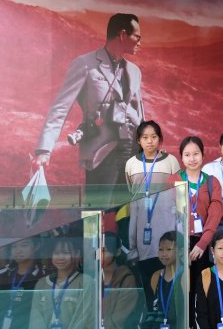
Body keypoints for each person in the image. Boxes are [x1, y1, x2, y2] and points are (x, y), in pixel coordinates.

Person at [33, 13, 144, 198]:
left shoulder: (134, 71)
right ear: (123, 34)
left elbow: (140, 114)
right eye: (137, 37)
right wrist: (44, 150)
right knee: (95, 211)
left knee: (128, 212)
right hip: (101, 154)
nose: (140, 42)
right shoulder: (85, 64)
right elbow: (61, 107)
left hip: (132, 155)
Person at [125, 121, 181, 303]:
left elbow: (179, 196)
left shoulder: (171, 162)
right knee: (149, 285)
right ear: (138, 140)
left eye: (154, 137)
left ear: (160, 139)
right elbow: (133, 198)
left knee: (170, 285)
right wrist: (132, 245)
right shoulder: (131, 164)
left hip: (167, 234)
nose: (149, 141)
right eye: (145, 137)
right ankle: (152, 317)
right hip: (143, 238)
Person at [28, 236, 93, 329]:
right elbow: (36, 321)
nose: (60, 257)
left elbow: (84, 321)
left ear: (76, 253)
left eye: (65, 253)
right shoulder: (41, 283)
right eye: (56, 253)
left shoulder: (85, 282)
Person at [170, 136, 223, 303]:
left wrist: (203, 242)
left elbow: (215, 214)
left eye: (196, 154)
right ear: (181, 158)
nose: (192, 159)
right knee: (181, 291)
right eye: (187, 155)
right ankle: (185, 321)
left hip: (204, 243)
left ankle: (201, 320)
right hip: (180, 242)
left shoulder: (212, 182)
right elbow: (168, 213)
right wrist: (179, 244)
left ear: (203, 155)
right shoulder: (173, 180)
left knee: (203, 290)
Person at [130, 231, 185, 329]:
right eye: (161, 249)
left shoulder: (185, 276)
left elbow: (185, 320)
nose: (163, 254)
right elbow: (148, 312)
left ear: (181, 251)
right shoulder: (156, 276)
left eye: (169, 249)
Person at [84, 232, 139, 329]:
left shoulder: (126, 279)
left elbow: (117, 322)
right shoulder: (93, 279)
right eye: (99, 250)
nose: (101, 254)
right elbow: (88, 319)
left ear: (118, 252)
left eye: (105, 250)